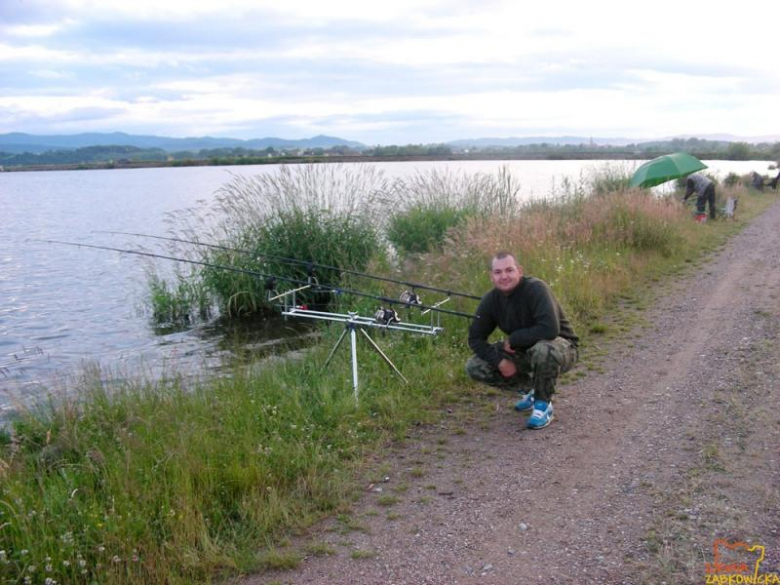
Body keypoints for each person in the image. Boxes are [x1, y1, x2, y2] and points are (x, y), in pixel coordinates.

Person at [466, 252, 579, 429]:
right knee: (475, 365)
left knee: (543, 349)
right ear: (491, 276)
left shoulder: (536, 288)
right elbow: (475, 339)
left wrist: (514, 339)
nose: (504, 276)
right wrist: (500, 361)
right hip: (524, 351)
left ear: (519, 270)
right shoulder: (491, 299)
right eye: (498, 272)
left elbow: (550, 329)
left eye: (509, 270)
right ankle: (532, 390)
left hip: (561, 347)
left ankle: (543, 405)